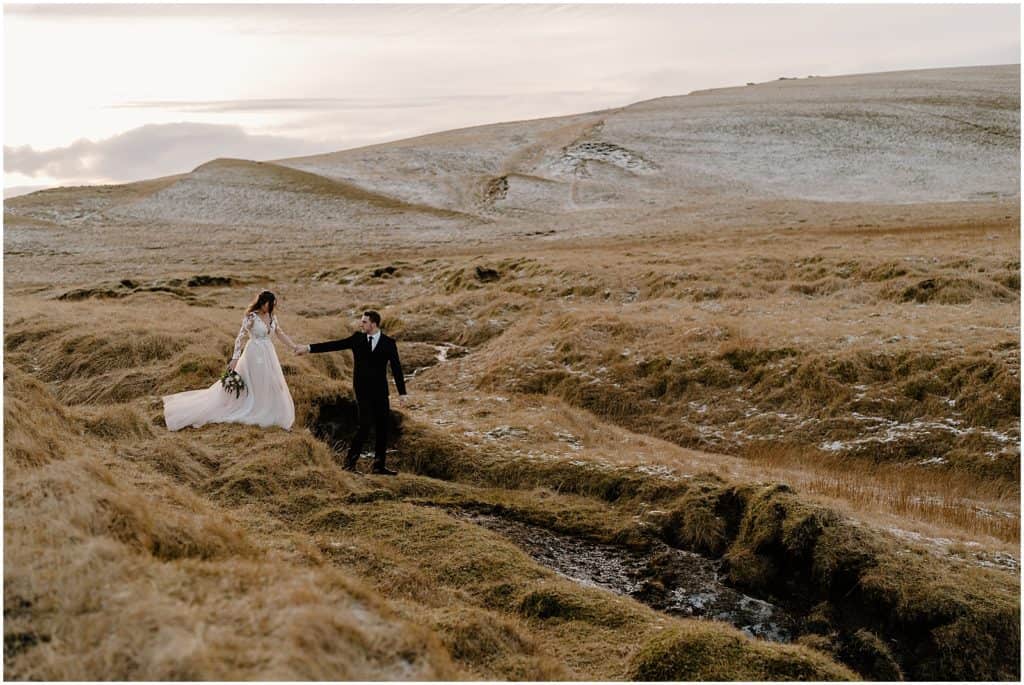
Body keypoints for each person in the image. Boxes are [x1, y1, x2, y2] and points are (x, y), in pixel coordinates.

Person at [163, 290, 299, 431]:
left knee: (271, 381)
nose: (271, 308)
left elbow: (280, 333)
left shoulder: (272, 316)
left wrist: (294, 346)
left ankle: (270, 411)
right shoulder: (252, 317)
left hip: (268, 353)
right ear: (263, 303)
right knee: (257, 380)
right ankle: (255, 409)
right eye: (269, 304)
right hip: (254, 353)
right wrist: (235, 359)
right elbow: (240, 338)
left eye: (273, 305)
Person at [297, 310, 407, 475]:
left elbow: (397, 369)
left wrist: (402, 393)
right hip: (362, 390)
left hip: (380, 391)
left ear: (374, 324)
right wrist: (307, 348)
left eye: (364, 322)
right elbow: (334, 345)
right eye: (361, 321)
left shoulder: (388, 343)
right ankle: (349, 465)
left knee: (382, 427)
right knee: (364, 425)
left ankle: (378, 466)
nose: (361, 324)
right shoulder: (357, 338)